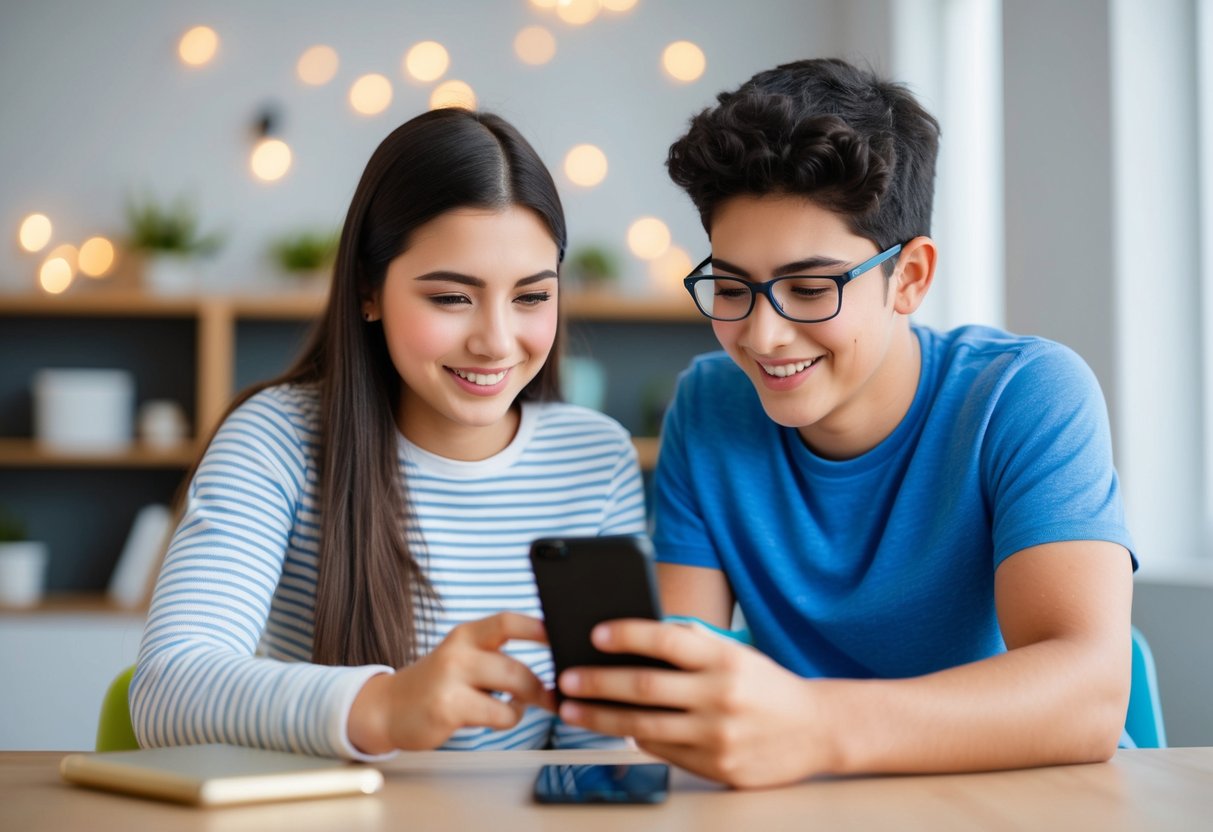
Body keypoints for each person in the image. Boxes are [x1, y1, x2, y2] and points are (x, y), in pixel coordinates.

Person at [553, 58, 1136, 787]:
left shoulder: (1024, 395)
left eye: (808, 287)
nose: (762, 337)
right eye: (731, 287)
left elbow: (1085, 699)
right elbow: (681, 672)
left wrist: (814, 726)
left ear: (911, 278)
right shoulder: (707, 405)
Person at [130, 108, 646, 759]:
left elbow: (591, 749)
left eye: (531, 296)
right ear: (369, 290)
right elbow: (165, 692)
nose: (495, 342)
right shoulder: (275, 440)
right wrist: (383, 707)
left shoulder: (595, 458)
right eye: (451, 298)